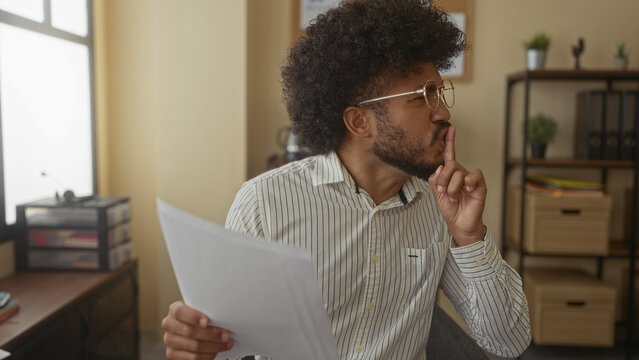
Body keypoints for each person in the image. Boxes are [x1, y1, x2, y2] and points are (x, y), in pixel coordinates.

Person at [161, 0, 531, 359]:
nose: (444, 111)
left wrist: (469, 237)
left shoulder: (441, 208)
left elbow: (508, 342)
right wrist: (198, 342)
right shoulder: (265, 203)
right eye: (423, 96)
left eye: (439, 91)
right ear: (359, 122)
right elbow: (225, 343)